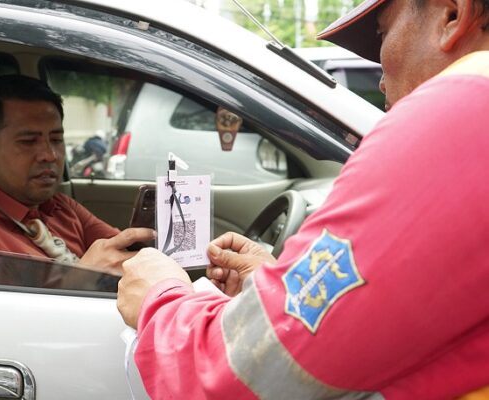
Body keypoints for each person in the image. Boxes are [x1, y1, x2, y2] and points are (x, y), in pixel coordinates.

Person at [117, 0, 489, 398]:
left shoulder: (456, 115)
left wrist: (161, 297)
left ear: (451, 14)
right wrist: (282, 283)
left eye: (381, 35)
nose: (380, 79)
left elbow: (245, 376)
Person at [0, 75, 153, 272]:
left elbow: (125, 253)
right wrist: (83, 278)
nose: (50, 155)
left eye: (56, 139)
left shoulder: (59, 206)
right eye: (28, 141)